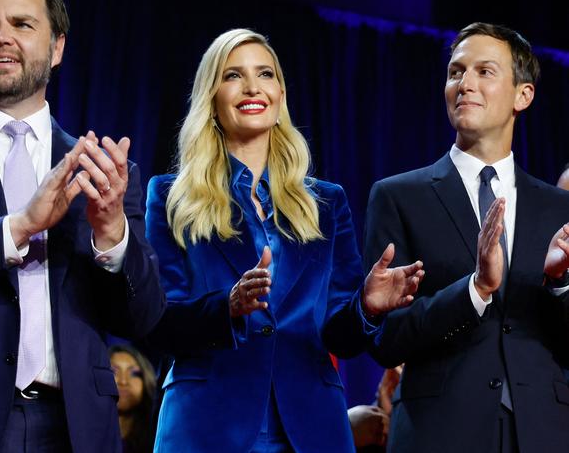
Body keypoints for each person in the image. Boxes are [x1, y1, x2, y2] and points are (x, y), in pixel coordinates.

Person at [0, 0, 165, 453]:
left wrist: (112, 235)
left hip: (75, 426)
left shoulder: (106, 170)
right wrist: (19, 228)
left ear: (56, 48)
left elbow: (144, 318)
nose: (2, 36)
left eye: (22, 24)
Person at [145, 28, 424, 452]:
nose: (253, 87)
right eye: (233, 75)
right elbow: (160, 321)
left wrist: (366, 307)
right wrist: (227, 308)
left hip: (312, 429)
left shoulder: (327, 203)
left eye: (266, 74)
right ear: (212, 99)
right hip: (206, 427)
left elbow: (340, 337)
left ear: (280, 96)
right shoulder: (171, 196)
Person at [363, 22, 569, 453]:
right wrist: (475, 290)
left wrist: (559, 284)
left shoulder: (558, 209)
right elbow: (386, 339)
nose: (465, 84)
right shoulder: (399, 196)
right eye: (456, 72)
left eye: (484, 72)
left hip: (543, 433)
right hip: (439, 432)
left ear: (523, 95)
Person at [110, 344, 158, 453]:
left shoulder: (158, 441)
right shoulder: (80, 437)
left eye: (134, 373)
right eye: (113, 372)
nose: (123, 381)